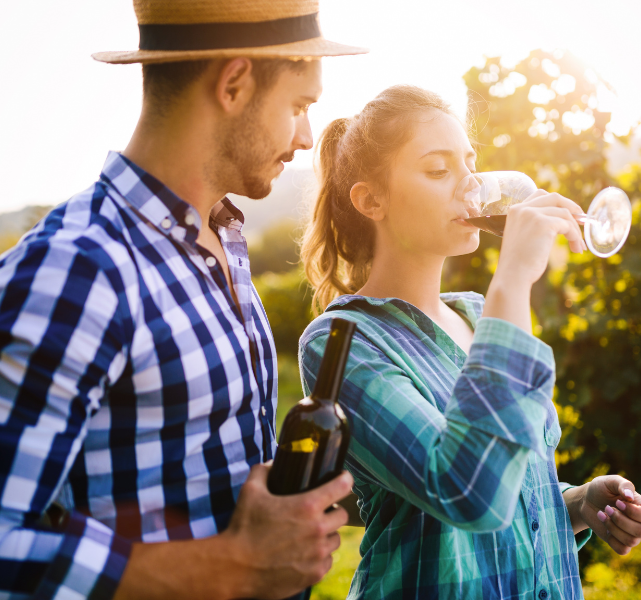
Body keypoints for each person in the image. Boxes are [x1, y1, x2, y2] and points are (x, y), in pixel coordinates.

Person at [0, 1, 367, 599]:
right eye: (300, 106)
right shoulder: (78, 269)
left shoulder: (224, 235)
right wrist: (232, 566)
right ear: (234, 83)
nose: (306, 136)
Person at [299, 85, 641, 599]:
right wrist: (512, 280)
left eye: (470, 165)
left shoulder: (476, 312)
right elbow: (465, 491)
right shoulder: (344, 342)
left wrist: (576, 504)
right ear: (370, 200)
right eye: (438, 170)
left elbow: (509, 468)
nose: (471, 188)